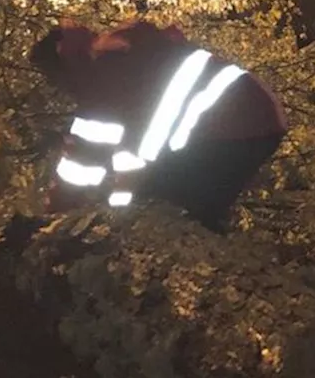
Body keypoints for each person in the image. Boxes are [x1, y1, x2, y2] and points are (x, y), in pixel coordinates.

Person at [29, 18, 288, 233]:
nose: (57, 88)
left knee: (175, 212)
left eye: (52, 79)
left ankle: (200, 265)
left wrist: (53, 218)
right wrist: (120, 210)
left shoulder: (101, 78)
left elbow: (82, 163)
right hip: (251, 119)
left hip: (233, 126)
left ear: (64, 67)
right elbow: (131, 159)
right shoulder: (122, 57)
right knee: (172, 203)